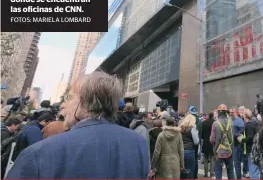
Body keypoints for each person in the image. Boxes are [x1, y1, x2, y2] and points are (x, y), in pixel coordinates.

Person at [5, 72, 150, 179]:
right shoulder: (139, 144)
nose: (64, 104)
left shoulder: (38, 154)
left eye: (70, 98)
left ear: (83, 103)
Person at [210, 104, 235, 180]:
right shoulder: (231, 123)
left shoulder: (215, 123)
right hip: (229, 151)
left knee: (218, 171)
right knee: (230, 171)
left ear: (219, 112)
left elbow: (212, 140)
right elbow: (232, 137)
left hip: (219, 152)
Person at [239, 109, 259, 179]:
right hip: (254, 148)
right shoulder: (254, 122)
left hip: (251, 149)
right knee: (254, 168)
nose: (242, 115)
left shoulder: (249, 124)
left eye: (243, 113)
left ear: (245, 115)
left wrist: (242, 139)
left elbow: (250, 138)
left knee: (252, 167)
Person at [180, 114, 199, 179]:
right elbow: (196, 142)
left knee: (182, 170)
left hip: (181, 151)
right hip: (190, 151)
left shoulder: (180, 128)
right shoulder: (192, 129)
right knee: (190, 170)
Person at [201, 112, 215, 178]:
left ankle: (205, 173)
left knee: (205, 158)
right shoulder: (215, 123)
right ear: (213, 116)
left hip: (205, 141)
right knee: (212, 158)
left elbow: (202, 134)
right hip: (212, 142)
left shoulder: (203, 123)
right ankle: (212, 173)